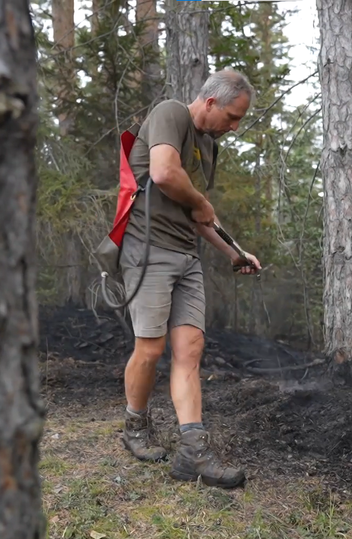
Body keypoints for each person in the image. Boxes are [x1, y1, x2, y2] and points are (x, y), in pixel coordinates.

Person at [118, 69, 261, 489]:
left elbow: (199, 216)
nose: (234, 127)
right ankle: (134, 426)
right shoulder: (170, 113)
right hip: (147, 248)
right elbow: (163, 172)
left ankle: (193, 453)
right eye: (233, 117)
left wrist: (235, 254)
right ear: (212, 102)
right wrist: (199, 201)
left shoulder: (208, 147)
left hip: (185, 254)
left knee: (190, 348)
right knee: (150, 347)